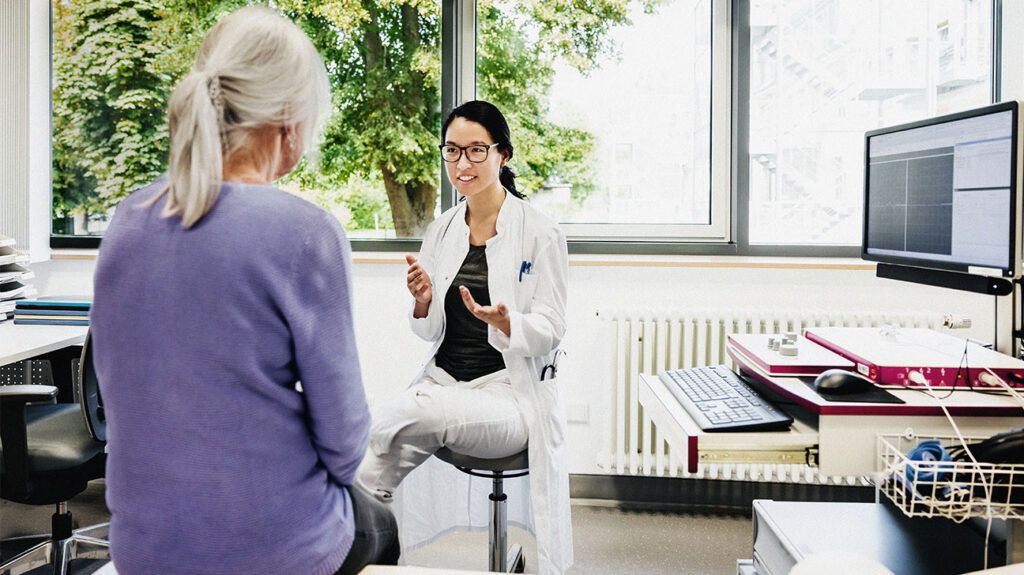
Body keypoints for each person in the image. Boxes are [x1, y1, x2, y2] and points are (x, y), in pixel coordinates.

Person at [90, 7, 398, 574]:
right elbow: (345, 445)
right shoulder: (305, 232)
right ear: (287, 117)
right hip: (273, 550)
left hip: (142, 552)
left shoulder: (125, 222)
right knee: (380, 524)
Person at [356, 100, 573, 574]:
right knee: (368, 474)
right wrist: (423, 299)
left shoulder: (541, 232)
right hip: (444, 382)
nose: (462, 164)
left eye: (476, 151)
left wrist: (507, 322)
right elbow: (428, 329)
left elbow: (553, 327)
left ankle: (354, 429)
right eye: (452, 151)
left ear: (503, 155)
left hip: (508, 397)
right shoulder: (442, 229)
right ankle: (374, 562)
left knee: (414, 409)